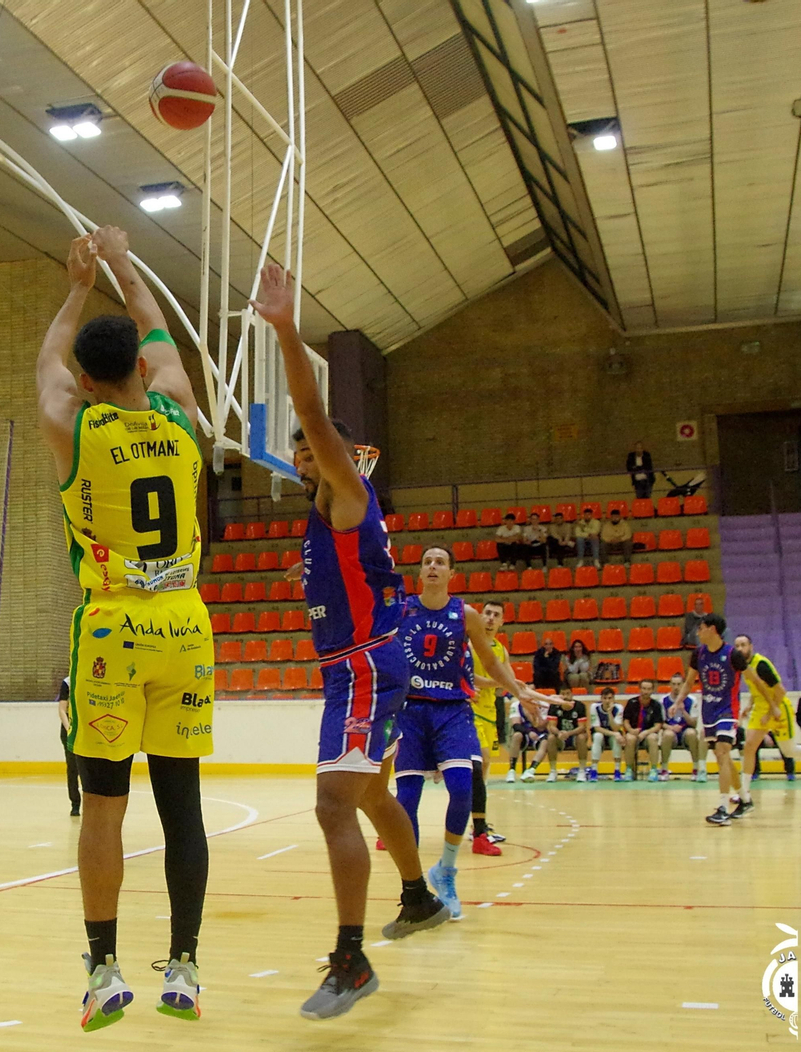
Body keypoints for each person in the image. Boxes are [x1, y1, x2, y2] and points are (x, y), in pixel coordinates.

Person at [250, 262, 449, 1020]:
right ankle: (419, 897)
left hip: (363, 666)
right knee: (369, 797)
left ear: (338, 452)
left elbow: (308, 405)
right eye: (297, 454)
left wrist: (286, 330)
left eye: (316, 449)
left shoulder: (347, 492)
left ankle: (352, 958)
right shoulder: (326, 509)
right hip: (363, 663)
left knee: (332, 804)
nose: (306, 458)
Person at [38, 227, 211, 1029]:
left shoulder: (75, 427)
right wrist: (123, 265)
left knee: (103, 808)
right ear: (142, 369)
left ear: (85, 379)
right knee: (183, 805)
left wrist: (78, 285)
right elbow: (162, 335)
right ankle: (185, 966)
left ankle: (104, 969)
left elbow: (46, 369)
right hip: (185, 623)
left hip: (113, 628)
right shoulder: (180, 420)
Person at [395, 547, 542, 922]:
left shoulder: (466, 615)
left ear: (451, 573)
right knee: (406, 800)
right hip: (410, 712)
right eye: (427, 561)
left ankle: (445, 871)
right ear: (420, 571)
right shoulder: (402, 608)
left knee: (462, 789)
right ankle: (412, 884)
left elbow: (490, 660)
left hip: (452, 710)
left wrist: (518, 690)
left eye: (440, 562)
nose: (432, 566)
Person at [730, 636, 801, 814]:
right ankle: (744, 793)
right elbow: (758, 690)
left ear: (751, 647)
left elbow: (780, 691)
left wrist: (771, 713)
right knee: (748, 747)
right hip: (761, 709)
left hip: (778, 706)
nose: (740, 648)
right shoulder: (743, 667)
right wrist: (749, 706)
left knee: (789, 750)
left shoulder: (761, 665)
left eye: (743, 645)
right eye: (737, 645)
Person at [674, 613, 742, 825]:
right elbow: (688, 682)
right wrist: (678, 702)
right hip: (709, 711)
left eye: (701, 627)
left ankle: (723, 807)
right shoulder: (698, 654)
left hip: (728, 710)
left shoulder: (733, 654)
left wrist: (771, 702)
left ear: (712, 629)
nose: (697, 631)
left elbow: (755, 680)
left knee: (722, 753)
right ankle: (745, 798)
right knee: (723, 757)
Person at [468, 601, 516, 855]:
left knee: (484, 769)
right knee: (480, 761)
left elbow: (507, 681)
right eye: (486, 613)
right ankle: (477, 826)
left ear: (501, 622)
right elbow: (465, 674)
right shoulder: (469, 642)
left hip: (490, 712)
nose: (489, 618)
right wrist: (492, 681)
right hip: (470, 710)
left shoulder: (501, 650)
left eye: (495, 615)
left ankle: (477, 820)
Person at [660, 672, 705, 781]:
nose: (676, 687)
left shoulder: (692, 700)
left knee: (692, 733)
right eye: (674, 684)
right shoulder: (663, 700)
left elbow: (694, 723)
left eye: (679, 684)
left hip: (685, 732)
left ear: (683, 685)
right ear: (670, 685)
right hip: (671, 732)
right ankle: (664, 769)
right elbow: (660, 723)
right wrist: (671, 728)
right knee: (667, 734)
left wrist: (683, 710)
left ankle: (695, 769)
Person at [622, 681, 667, 781]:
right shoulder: (631, 702)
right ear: (640, 689)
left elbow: (658, 725)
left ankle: (654, 770)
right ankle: (629, 770)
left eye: (648, 689)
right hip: (634, 732)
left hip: (648, 733)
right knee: (629, 738)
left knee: (653, 738)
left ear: (652, 690)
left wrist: (646, 732)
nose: (646, 691)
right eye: (644, 688)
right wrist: (631, 730)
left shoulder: (656, 705)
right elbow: (625, 721)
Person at [545, 685, 591, 783]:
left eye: (568, 693)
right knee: (551, 738)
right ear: (559, 695)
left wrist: (569, 733)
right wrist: (559, 733)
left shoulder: (580, 706)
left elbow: (582, 727)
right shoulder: (554, 706)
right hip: (560, 737)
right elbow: (551, 726)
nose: (565, 696)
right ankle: (553, 771)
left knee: (582, 737)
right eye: (563, 694)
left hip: (574, 735)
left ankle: (582, 770)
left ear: (572, 694)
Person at [588, 686, 625, 782]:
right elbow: (597, 728)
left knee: (617, 739)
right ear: (601, 699)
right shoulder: (594, 707)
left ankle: (617, 771)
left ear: (614, 699)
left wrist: (609, 713)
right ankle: (594, 771)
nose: (607, 701)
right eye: (605, 698)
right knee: (597, 736)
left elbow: (616, 728)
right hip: (601, 734)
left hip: (612, 734)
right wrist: (614, 734)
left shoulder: (619, 708)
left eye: (610, 698)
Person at [57, 676, 82, 817]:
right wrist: (69, 729)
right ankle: (75, 803)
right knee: (72, 768)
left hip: (86, 729)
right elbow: (62, 709)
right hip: (70, 730)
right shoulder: (68, 682)